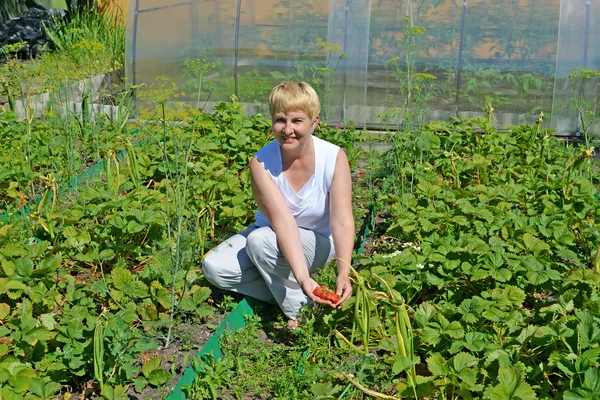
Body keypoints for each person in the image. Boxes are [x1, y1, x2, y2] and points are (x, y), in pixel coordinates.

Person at [202, 81, 354, 328]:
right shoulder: (261, 162)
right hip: (272, 236)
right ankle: (292, 289)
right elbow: (282, 223)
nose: (287, 129)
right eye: (280, 120)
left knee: (260, 242)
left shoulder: (333, 157)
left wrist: (343, 272)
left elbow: (342, 220)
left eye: (297, 121)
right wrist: (303, 278)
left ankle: (299, 309)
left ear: (314, 122)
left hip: (317, 243)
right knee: (214, 268)